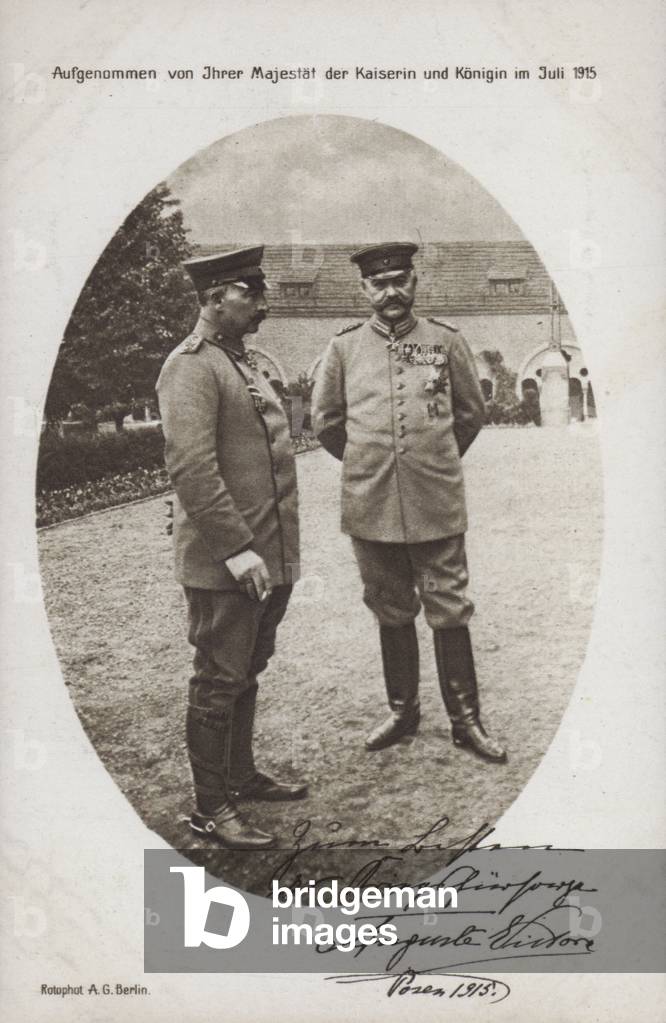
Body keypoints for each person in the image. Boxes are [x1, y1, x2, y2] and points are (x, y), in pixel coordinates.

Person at [312, 242, 506, 763]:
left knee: (449, 607)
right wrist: (372, 465)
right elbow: (327, 424)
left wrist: (432, 459)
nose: (391, 291)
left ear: (415, 282)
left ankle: (466, 721)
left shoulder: (444, 341)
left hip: (435, 501)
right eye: (380, 283)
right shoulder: (344, 349)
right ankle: (403, 711)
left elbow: (470, 414)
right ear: (364, 290)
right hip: (370, 502)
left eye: (400, 279)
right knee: (389, 608)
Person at [156, 246, 307, 850]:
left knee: (247, 667)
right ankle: (210, 809)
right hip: (229, 564)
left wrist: (273, 555)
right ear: (215, 298)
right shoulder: (191, 366)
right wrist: (239, 550)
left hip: (267, 556)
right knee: (219, 677)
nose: (264, 306)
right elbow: (192, 468)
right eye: (253, 294)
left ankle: (239, 776)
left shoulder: (243, 362)